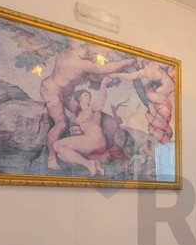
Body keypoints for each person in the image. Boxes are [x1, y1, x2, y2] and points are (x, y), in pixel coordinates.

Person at [40, 39, 135, 170]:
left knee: (66, 133)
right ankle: (52, 158)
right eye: (86, 95)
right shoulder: (81, 63)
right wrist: (126, 62)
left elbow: (100, 97)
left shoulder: (68, 56)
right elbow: (105, 68)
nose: (93, 53)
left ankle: (87, 161)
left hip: (67, 96)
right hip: (53, 89)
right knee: (61, 124)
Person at [52, 78, 111, 176]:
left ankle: (89, 164)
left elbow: (102, 98)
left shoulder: (93, 109)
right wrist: (77, 131)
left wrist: (103, 84)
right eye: (86, 95)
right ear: (79, 98)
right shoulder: (79, 116)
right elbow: (86, 128)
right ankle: (95, 163)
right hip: (89, 141)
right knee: (61, 155)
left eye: (89, 96)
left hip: (96, 140)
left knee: (57, 145)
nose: (89, 97)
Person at [111, 59, 175, 142]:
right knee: (151, 101)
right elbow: (129, 76)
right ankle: (160, 133)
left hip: (164, 91)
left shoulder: (155, 63)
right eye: (138, 60)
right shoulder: (144, 72)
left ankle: (160, 131)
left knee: (150, 97)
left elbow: (169, 65)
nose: (138, 60)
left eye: (139, 59)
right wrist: (115, 75)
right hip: (161, 94)